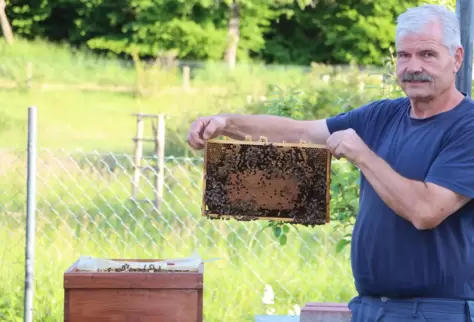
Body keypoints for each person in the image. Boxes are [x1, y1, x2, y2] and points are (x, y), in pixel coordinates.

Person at [187, 4, 474, 321]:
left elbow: (426, 211)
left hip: (437, 311)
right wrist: (226, 123)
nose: (413, 66)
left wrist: (362, 155)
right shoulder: (382, 115)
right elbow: (302, 133)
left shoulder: (468, 127)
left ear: (456, 58)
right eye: (404, 55)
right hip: (370, 306)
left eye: (427, 55)